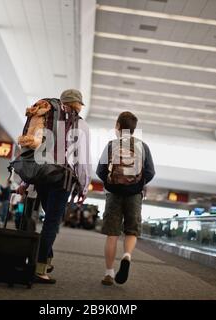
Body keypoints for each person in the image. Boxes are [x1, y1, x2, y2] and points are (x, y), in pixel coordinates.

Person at [16, 89, 91, 284]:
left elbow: (33, 149)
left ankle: (46, 260)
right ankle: (40, 268)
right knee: (51, 222)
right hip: (61, 178)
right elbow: (82, 159)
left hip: (41, 175)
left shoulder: (47, 116)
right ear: (78, 105)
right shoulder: (80, 125)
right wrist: (84, 186)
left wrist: (25, 181)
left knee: (50, 220)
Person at [96, 111, 155, 286]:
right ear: (134, 129)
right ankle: (127, 256)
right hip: (134, 195)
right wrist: (137, 185)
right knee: (131, 230)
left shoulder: (111, 144)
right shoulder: (143, 146)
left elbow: (100, 170)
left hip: (114, 194)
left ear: (118, 126)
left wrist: (110, 184)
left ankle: (108, 273)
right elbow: (151, 172)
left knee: (112, 234)